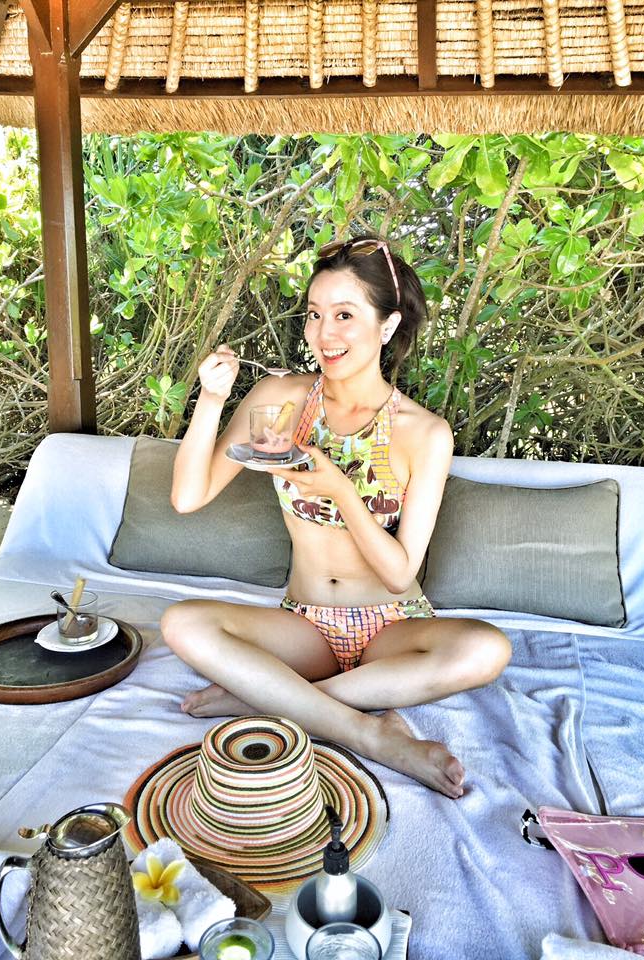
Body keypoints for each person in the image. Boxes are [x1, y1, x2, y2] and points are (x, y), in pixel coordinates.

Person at [161, 236, 512, 799]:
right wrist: (211, 399)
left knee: (488, 649)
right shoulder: (280, 398)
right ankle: (369, 733)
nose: (324, 333)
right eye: (314, 314)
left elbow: (400, 574)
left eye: (345, 315)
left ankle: (271, 698)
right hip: (304, 625)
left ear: (387, 326)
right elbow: (188, 496)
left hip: (393, 627)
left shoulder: (423, 433)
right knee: (182, 623)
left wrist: (342, 491)